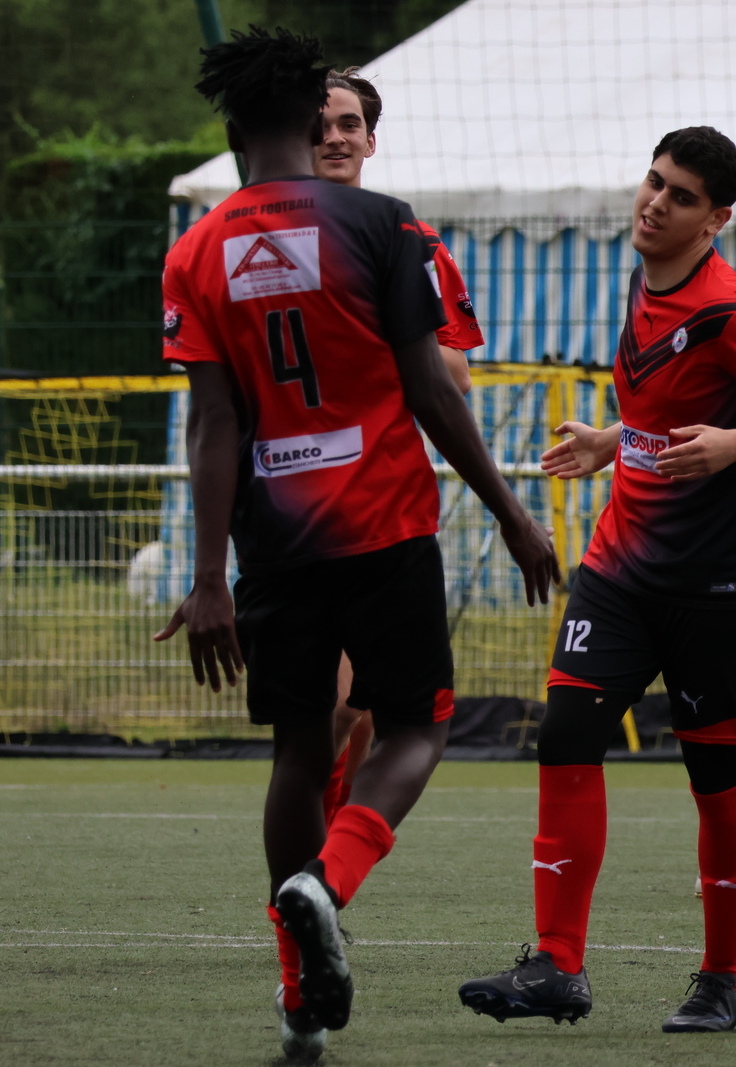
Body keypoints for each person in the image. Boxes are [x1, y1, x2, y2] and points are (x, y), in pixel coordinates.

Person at [154, 28, 558, 1062]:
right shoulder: (384, 224)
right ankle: (326, 882)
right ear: (310, 120)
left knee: (298, 748)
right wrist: (512, 512)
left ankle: (300, 996)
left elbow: (213, 424)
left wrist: (208, 577)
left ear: (234, 128)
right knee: (417, 726)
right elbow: (432, 388)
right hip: (384, 525)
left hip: (273, 545)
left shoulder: (196, 250)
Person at [457, 127, 736, 1034]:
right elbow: (667, 406)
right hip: (619, 570)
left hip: (718, 589)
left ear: (716, 219)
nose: (655, 202)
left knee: (717, 780)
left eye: (680, 196)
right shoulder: (644, 279)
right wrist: (612, 439)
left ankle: (721, 979)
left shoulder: (733, 312)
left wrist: (735, 446)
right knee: (565, 738)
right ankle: (558, 963)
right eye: (654, 182)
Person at [311, 66, 487, 827]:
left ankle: (324, 863)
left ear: (371, 141)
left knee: (361, 708)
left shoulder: (412, 243)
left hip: (382, 504)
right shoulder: (264, 241)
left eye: (349, 124)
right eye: (320, 125)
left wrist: (366, 341)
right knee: (332, 707)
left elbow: (456, 372)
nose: (334, 137)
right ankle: (313, 862)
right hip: (292, 504)